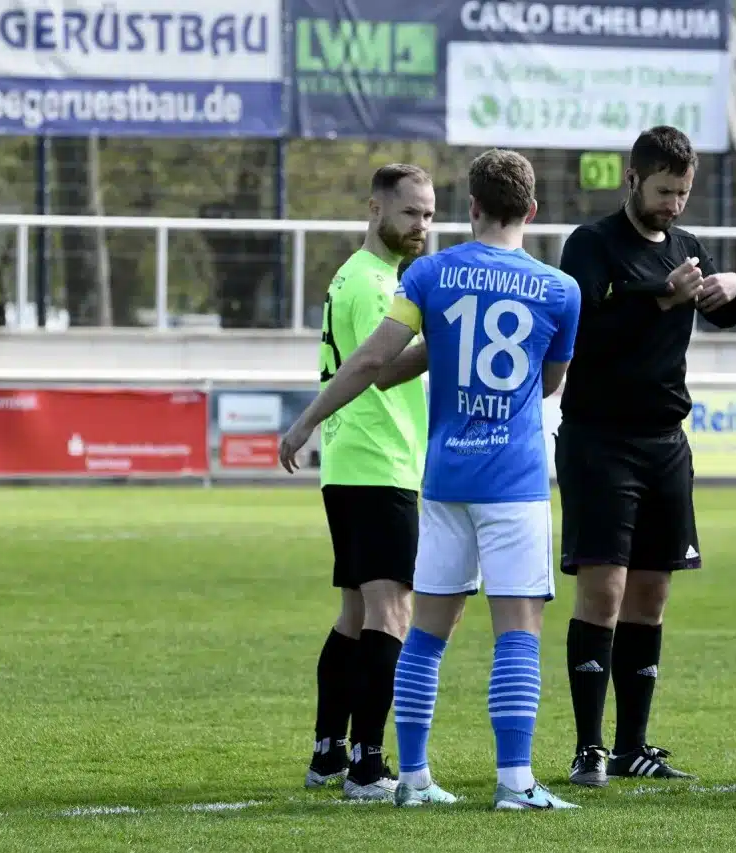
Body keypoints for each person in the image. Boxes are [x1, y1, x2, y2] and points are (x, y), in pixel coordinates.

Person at [279, 148, 583, 811]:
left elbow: (373, 365)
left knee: (424, 633)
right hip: (514, 478)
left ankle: (411, 777)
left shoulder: (431, 276)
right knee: (518, 627)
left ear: (470, 206)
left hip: (443, 476)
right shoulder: (562, 290)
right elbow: (550, 384)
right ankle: (515, 781)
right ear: (530, 210)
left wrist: (304, 424)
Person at [555, 126, 736, 786]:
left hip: (666, 441)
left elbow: (726, 312)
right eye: (666, 191)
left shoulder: (690, 248)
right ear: (632, 180)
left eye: (684, 192)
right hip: (599, 437)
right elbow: (580, 324)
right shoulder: (592, 244)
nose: (675, 204)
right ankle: (589, 746)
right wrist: (657, 297)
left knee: (651, 592)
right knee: (603, 588)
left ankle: (634, 742)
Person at [302, 163, 436, 801]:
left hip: (351, 463)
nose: (422, 227)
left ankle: (329, 752)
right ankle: (367, 764)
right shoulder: (376, 285)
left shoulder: (354, 277)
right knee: (392, 611)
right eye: (410, 213)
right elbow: (378, 369)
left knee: (355, 613)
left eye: (430, 215)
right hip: (379, 463)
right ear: (376, 210)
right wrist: (442, 344)